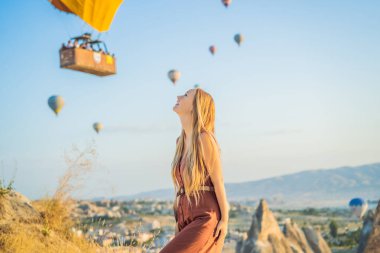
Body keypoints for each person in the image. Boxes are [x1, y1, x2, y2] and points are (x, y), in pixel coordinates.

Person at [160, 88, 229, 252]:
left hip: (205, 215)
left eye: (185, 95)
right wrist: (178, 221)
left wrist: (224, 221)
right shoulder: (180, 142)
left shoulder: (204, 138)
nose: (178, 96)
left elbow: (218, 182)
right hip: (185, 216)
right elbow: (180, 188)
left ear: (195, 106)